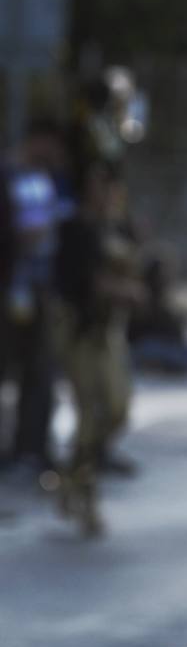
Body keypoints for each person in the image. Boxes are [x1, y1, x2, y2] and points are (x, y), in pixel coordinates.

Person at [50, 162, 145, 536]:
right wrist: (112, 288)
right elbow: (74, 281)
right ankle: (84, 495)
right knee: (91, 412)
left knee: (117, 409)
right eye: (98, 184)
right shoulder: (74, 227)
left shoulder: (118, 226)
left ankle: (70, 475)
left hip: (109, 331)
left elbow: (138, 270)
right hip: (78, 329)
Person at [1, 118, 65, 476]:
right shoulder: (8, 175)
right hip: (10, 288)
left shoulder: (43, 177)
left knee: (40, 371)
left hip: (38, 289)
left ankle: (32, 447)